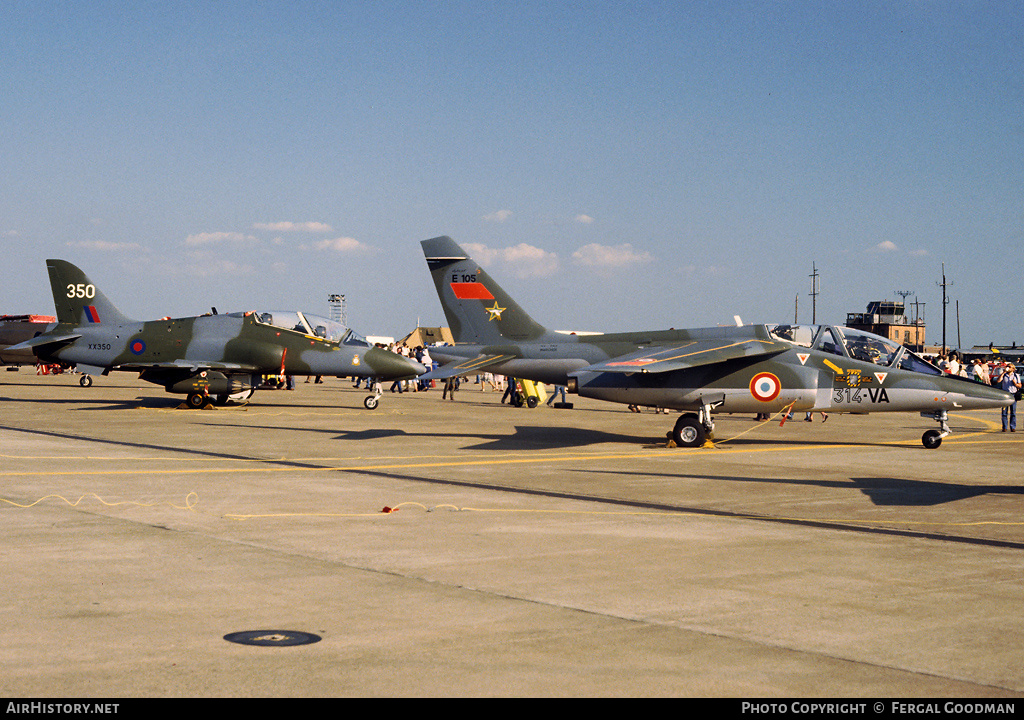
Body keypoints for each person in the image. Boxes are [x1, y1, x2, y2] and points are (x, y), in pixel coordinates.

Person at [993, 362, 1021, 432]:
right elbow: (998, 380)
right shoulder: (1004, 375)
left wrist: (1015, 384)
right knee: (1004, 412)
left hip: (1013, 394)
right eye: (1007, 366)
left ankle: (1012, 426)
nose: (1008, 367)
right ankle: (1004, 427)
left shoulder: (1016, 375)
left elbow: (1019, 385)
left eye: (1009, 367)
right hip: (1005, 394)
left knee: (1013, 412)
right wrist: (1003, 373)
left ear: (1013, 369)